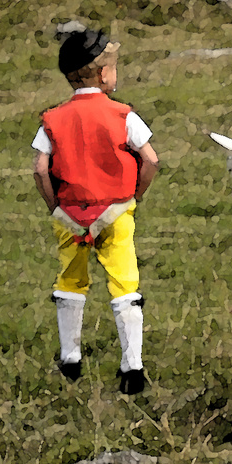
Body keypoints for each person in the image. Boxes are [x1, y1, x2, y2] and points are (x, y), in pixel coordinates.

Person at [32, 28, 159, 394]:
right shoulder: (123, 115)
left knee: (70, 281)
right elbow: (150, 159)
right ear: (104, 74)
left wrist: (54, 206)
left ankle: (70, 359)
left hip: (70, 215)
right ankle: (132, 366)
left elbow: (41, 168)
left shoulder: (53, 119)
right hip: (116, 212)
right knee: (124, 283)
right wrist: (133, 195)